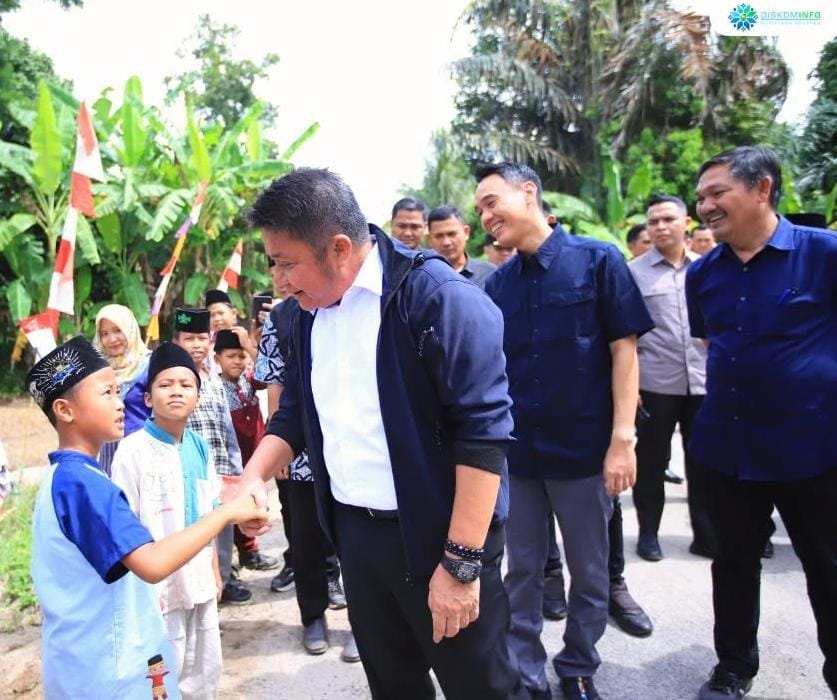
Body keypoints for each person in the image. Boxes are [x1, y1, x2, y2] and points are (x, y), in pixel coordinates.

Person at [239, 168, 527, 699]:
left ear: (339, 248)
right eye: (273, 264)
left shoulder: (437, 299)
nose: (278, 280)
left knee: (481, 686)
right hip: (357, 536)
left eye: (286, 263)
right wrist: (252, 476)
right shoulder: (303, 314)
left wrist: (460, 564)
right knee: (393, 685)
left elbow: (483, 435)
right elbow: (296, 411)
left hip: (442, 536)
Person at [479, 162, 654, 700]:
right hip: (521, 458)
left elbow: (624, 351)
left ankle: (578, 664)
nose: (485, 216)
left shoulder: (597, 260)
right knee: (523, 572)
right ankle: (527, 672)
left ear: (528, 192)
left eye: (491, 202)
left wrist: (623, 439)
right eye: (480, 209)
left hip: (584, 453)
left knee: (591, 572)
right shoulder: (498, 285)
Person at [26, 336, 266, 698]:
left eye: (118, 391)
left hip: (79, 664)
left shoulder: (64, 478)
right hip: (109, 672)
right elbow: (151, 564)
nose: (120, 402)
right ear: (65, 410)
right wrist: (224, 515)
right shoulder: (84, 485)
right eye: (106, 393)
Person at [686, 146, 837, 699]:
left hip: (814, 449)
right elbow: (713, 344)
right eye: (700, 197)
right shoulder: (703, 273)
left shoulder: (824, 254)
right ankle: (734, 666)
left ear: (762, 189)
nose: (705, 207)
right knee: (732, 563)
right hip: (727, 447)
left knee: (828, 567)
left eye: (717, 193)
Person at [111, 342, 224, 699]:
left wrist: (215, 569)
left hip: (200, 580)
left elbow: (211, 512)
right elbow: (125, 526)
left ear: (198, 397)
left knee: (205, 669)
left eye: (185, 384)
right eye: (165, 384)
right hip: (157, 590)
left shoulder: (200, 446)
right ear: (147, 398)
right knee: (162, 674)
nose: (176, 391)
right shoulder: (132, 450)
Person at [258, 295, 358, 662]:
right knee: (305, 538)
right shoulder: (282, 316)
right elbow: (275, 383)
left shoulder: (351, 303)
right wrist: (278, 447)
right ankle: (313, 616)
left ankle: (363, 622)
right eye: (280, 269)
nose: (286, 277)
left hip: (353, 449)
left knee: (358, 540)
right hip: (301, 449)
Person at [629, 195, 715, 561]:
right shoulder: (633, 273)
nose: (660, 227)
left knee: (705, 463)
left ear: (686, 223)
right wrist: (630, 388)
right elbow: (625, 335)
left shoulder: (707, 267)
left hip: (704, 381)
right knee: (651, 463)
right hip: (655, 383)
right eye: (653, 222)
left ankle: (706, 535)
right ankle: (649, 533)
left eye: (668, 219)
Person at [172, 307, 251, 605]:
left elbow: (227, 428)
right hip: (187, 473)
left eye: (202, 338)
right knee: (192, 530)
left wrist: (235, 471)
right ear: (176, 341)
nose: (196, 345)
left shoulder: (215, 379)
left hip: (219, 470)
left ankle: (224, 582)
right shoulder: (174, 381)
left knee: (222, 529)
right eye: (189, 338)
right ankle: (194, 590)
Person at [205, 290, 277, 573]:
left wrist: (250, 346)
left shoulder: (250, 378)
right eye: (231, 356)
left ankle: (250, 551)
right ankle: (229, 561)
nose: (237, 361)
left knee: (254, 500)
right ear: (217, 359)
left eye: (241, 356)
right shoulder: (214, 387)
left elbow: (268, 373)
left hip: (255, 455)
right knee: (232, 503)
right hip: (231, 458)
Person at [93, 304, 151, 474]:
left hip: (144, 451)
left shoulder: (149, 364)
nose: (112, 339)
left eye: (118, 330)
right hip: (109, 450)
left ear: (130, 329)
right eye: (104, 334)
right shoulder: (99, 369)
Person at [426, 204, 496, 288]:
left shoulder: (489, 274)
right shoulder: (422, 278)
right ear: (429, 239)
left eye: (452, 234)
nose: (446, 242)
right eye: (439, 236)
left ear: (466, 233)